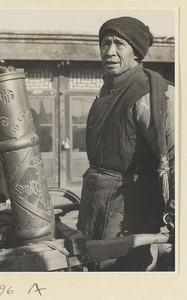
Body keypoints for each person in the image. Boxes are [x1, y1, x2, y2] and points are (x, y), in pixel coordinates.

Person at [76, 16, 175, 271]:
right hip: (95, 208)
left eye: (119, 44)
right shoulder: (107, 91)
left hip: (130, 217)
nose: (109, 51)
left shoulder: (149, 94)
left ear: (137, 52)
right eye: (105, 43)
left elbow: (178, 157)